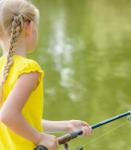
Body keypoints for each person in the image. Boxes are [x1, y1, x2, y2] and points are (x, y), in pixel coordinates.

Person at [0, 0, 92, 149]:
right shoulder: (29, 69)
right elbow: (7, 116)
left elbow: (22, 121)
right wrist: (40, 137)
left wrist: (66, 125)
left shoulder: (2, 68)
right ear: (28, 26)